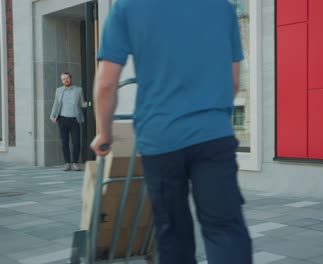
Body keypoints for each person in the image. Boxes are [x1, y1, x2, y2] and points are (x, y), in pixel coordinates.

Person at [91, 1, 252, 263]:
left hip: (160, 138)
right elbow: (233, 81)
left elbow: (107, 84)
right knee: (225, 228)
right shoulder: (222, 6)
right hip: (213, 135)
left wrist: (104, 133)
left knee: (172, 234)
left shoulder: (127, 7)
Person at [50, 72, 86, 171]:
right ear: (62, 81)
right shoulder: (59, 90)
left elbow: (82, 104)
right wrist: (52, 115)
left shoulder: (78, 90)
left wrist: (91, 103)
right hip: (62, 119)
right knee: (64, 142)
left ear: (71, 78)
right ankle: (67, 163)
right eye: (64, 79)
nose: (66, 80)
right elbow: (56, 104)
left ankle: (75, 163)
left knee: (76, 142)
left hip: (75, 119)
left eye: (67, 78)